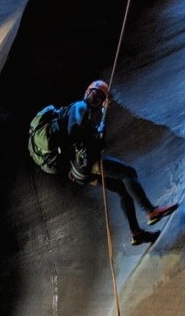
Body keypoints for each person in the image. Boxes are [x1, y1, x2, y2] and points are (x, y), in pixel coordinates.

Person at [60, 80, 178, 245]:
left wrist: (103, 115)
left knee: (123, 190)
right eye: (95, 94)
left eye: (100, 98)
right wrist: (85, 153)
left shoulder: (87, 115)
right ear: (87, 92)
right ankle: (151, 211)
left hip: (80, 169)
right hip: (85, 163)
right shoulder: (80, 106)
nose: (96, 100)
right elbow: (72, 131)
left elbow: (94, 140)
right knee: (128, 173)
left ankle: (136, 233)